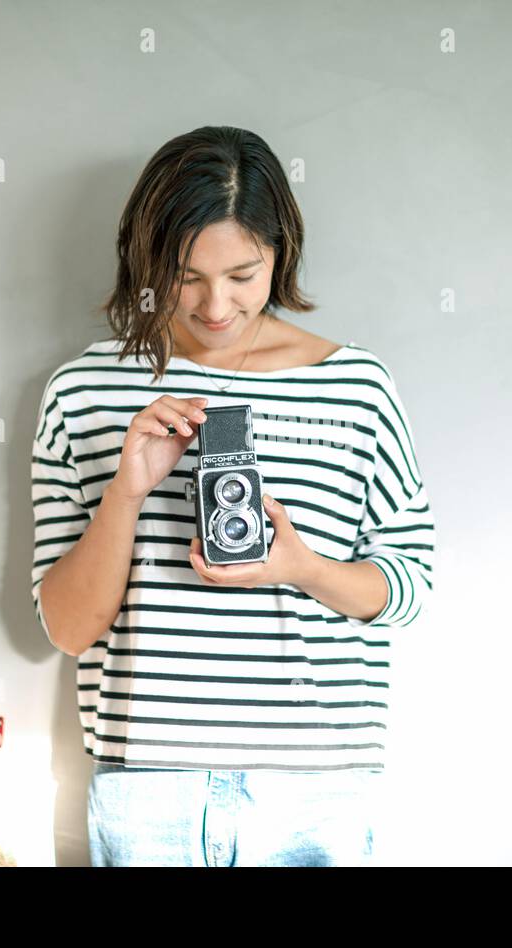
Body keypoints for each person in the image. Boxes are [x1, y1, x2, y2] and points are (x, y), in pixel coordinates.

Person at [30, 126, 436, 866]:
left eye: (243, 275)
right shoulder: (82, 390)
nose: (216, 306)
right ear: (148, 261)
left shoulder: (356, 388)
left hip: (319, 791)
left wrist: (300, 567)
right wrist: (126, 492)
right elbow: (65, 627)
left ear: (281, 254)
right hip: (148, 788)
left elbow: (411, 588)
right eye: (187, 276)